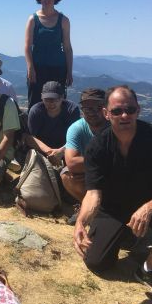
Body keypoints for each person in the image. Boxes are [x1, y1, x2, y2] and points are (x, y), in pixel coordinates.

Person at [73, 86, 152, 304]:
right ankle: (128, 236)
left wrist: (148, 208)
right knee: (97, 262)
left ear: (139, 110)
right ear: (106, 113)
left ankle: (149, 268)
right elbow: (93, 193)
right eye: (117, 111)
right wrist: (81, 222)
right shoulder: (97, 146)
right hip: (113, 209)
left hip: (151, 205)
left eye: (130, 109)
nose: (124, 115)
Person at [60, 88, 109, 224]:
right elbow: (72, 163)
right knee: (67, 175)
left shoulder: (116, 127)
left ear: (106, 108)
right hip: (91, 174)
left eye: (98, 108)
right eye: (88, 109)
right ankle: (93, 209)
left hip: (112, 176)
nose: (92, 112)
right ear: (82, 110)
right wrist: (107, 163)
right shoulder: (77, 128)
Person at [24, 0, 73, 109]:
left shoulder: (64, 20)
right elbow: (27, 47)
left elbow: (67, 48)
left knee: (58, 104)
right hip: (37, 68)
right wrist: (30, 68)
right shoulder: (32, 19)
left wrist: (69, 71)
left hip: (58, 68)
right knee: (35, 103)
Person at [28, 81, 80, 165]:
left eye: (55, 99)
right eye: (47, 100)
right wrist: (51, 153)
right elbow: (30, 137)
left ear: (62, 97)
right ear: (41, 97)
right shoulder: (36, 111)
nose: (51, 103)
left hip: (68, 151)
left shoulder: (72, 110)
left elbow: (77, 136)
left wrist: (61, 151)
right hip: (42, 153)